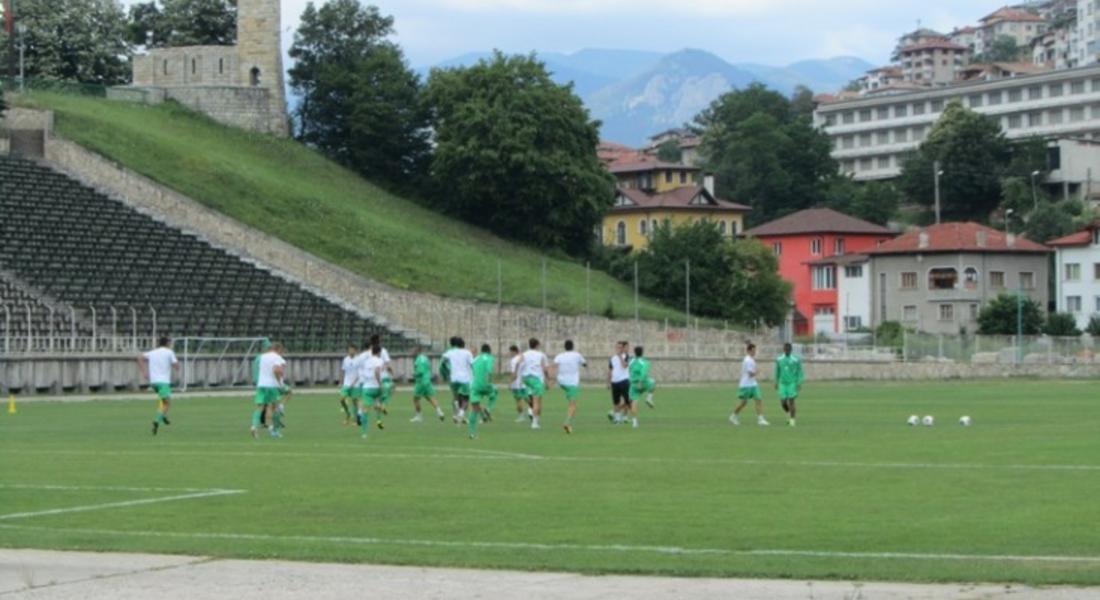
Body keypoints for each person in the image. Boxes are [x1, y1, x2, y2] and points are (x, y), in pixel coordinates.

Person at [138, 336, 179, 436]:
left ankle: (163, 416)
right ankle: (157, 420)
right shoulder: (169, 352)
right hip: (163, 382)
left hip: (154, 383)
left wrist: (144, 372)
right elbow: (177, 366)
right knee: (167, 403)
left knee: (163, 401)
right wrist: (176, 366)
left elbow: (140, 357)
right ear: (167, 343)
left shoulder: (153, 352)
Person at [253, 342, 288, 438]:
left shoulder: (262, 357)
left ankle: (254, 426)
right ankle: (275, 431)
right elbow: (276, 370)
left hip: (261, 384)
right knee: (274, 407)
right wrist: (279, 382)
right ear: (279, 350)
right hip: (272, 385)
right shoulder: (276, 357)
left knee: (260, 407)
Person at [731, 342, 769, 426]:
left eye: (755, 350)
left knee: (758, 399)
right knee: (743, 403)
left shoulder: (751, 359)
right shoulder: (747, 360)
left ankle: (760, 419)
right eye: (753, 350)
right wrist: (758, 372)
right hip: (746, 385)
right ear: (749, 350)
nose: (755, 352)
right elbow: (750, 374)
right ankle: (733, 416)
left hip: (753, 384)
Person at [554, 340, 587, 434]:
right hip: (572, 383)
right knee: (573, 405)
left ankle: (569, 424)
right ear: (573, 346)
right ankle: (567, 423)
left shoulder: (559, 356)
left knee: (573, 404)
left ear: (564, 347)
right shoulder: (577, 355)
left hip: (562, 382)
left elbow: (555, 365)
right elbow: (584, 363)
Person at [354, 342, 386, 439]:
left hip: (367, 388)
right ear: (379, 352)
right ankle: (379, 419)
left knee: (365, 411)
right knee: (379, 402)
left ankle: (364, 433)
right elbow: (377, 372)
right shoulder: (380, 361)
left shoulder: (366, 361)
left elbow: (363, 372)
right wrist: (380, 384)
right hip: (376, 387)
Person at [519, 338, 550, 430]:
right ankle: (534, 423)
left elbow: (519, 364)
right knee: (537, 401)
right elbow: (545, 369)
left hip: (526, 379)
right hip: (536, 379)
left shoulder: (524, 354)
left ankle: (530, 411)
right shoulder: (541, 355)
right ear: (537, 345)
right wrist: (547, 380)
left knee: (531, 398)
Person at [442, 337, 474, 424]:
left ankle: (456, 415)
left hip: (453, 378)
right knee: (466, 398)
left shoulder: (450, 352)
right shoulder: (467, 353)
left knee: (456, 397)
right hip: (465, 378)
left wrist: (446, 372)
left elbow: (443, 361)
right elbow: (472, 365)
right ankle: (461, 413)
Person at [468, 343, 497, 439]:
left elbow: (472, 370)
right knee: (494, 393)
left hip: (475, 386)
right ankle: (488, 409)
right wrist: (489, 382)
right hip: (485, 384)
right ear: (489, 351)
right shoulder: (490, 358)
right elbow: (489, 371)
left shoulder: (476, 359)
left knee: (474, 409)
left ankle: (472, 433)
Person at [410, 344, 445, 422]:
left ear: (417, 350)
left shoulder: (418, 359)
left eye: (413, 350)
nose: (411, 351)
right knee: (429, 397)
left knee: (415, 399)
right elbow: (428, 368)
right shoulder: (425, 358)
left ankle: (419, 417)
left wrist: (414, 374)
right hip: (427, 380)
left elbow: (420, 372)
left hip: (421, 381)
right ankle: (440, 412)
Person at [775, 342, 804, 427]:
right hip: (782, 384)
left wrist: (799, 383)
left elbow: (800, 372)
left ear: (791, 350)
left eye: (788, 350)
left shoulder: (796, 360)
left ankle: (792, 420)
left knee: (791, 401)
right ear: (783, 350)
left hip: (792, 383)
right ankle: (788, 413)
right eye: (785, 349)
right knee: (783, 402)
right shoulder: (779, 359)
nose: (786, 351)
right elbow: (777, 371)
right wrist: (776, 381)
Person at [627, 346, 654, 429]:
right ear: (642, 352)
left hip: (633, 384)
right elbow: (643, 372)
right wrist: (641, 381)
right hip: (642, 382)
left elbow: (629, 370)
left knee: (634, 402)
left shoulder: (631, 361)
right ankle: (649, 398)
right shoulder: (644, 362)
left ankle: (635, 422)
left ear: (634, 352)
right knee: (653, 382)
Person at [370, 334, 395, 421]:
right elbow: (387, 364)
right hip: (383, 375)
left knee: (375, 393)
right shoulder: (383, 350)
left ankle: (377, 405)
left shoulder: (369, 351)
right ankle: (382, 406)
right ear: (379, 340)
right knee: (387, 392)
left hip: (371, 376)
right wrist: (392, 373)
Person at [607, 341, 631, 424]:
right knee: (616, 402)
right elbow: (610, 371)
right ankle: (617, 419)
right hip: (615, 382)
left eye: (620, 347)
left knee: (629, 400)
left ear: (623, 348)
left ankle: (623, 415)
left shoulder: (626, 356)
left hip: (624, 381)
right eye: (617, 347)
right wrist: (608, 382)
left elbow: (624, 366)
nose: (619, 349)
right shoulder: (612, 358)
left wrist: (620, 356)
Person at [508, 345, 532, 423]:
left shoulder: (514, 360)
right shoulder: (523, 358)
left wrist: (510, 382)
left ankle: (521, 416)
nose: (509, 353)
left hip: (516, 383)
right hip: (524, 382)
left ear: (514, 351)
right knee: (527, 398)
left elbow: (514, 373)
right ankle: (532, 411)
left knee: (518, 400)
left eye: (510, 352)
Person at [339, 344, 358, 425]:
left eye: (352, 350)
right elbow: (343, 370)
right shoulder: (345, 359)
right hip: (346, 384)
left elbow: (360, 373)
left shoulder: (358, 360)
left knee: (355, 402)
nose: (351, 351)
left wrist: (354, 383)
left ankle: (356, 420)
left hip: (355, 385)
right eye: (349, 350)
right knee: (342, 399)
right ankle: (348, 414)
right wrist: (341, 382)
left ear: (355, 350)